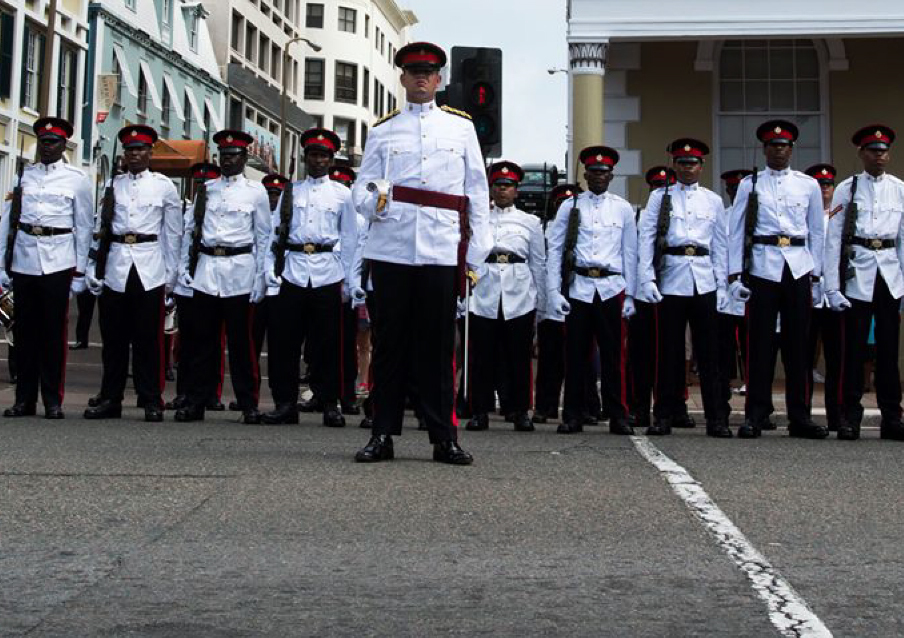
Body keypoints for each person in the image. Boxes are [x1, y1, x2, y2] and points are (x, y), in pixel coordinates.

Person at [351, 42, 491, 464]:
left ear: (440, 80)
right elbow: (361, 189)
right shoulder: (382, 131)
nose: (421, 78)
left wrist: (475, 255)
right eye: (413, 71)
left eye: (428, 72)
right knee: (390, 345)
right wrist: (373, 199)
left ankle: (443, 436)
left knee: (437, 348)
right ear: (402, 78)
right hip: (391, 247)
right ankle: (382, 433)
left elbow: (477, 192)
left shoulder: (461, 128)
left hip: (440, 248)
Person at [727, 119, 828, 439]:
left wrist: (818, 275)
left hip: (797, 266)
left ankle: (800, 417)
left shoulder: (807, 184)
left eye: (784, 146)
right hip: (763, 266)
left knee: (799, 346)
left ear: (791, 149)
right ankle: (756, 415)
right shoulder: (749, 184)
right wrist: (733, 275)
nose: (778, 150)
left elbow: (816, 231)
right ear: (764, 149)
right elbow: (736, 231)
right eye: (773, 146)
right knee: (760, 344)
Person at [83, 124, 181, 421]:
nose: (135, 154)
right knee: (113, 340)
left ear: (151, 153)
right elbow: (100, 228)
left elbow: (172, 233)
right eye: (130, 150)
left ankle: (151, 399)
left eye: (140, 149)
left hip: (149, 265)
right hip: (115, 265)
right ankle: (111, 398)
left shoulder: (164, 186)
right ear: (124, 154)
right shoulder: (113, 185)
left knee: (147, 340)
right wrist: (91, 266)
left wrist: (171, 275)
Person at [175, 130, 271, 425]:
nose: (229, 161)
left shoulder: (256, 192)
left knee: (242, 344)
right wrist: (183, 268)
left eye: (235, 156)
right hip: (207, 269)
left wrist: (261, 278)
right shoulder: (207, 190)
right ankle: (197, 401)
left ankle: (248, 403)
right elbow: (190, 231)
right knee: (202, 342)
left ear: (244, 159)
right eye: (225, 156)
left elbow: (264, 236)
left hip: (240, 269)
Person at [263, 128, 357, 426]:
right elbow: (275, 233)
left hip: (328, 271)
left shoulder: (343, 194)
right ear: (305, 158)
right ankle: (285, 403)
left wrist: (348, 278)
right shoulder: (292, 191)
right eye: (313, 155)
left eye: (324, 156)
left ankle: (330, 402)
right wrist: (269, 269)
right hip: (293, 270)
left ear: (331, 160)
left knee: (328, 343)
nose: (318, 160)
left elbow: (351, 238)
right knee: (284, 342)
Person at [637, 139, 731, 437]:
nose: (688, 167)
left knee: (710, 355)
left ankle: (716, 418)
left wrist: (723, 285)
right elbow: (646, 238)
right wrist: (647, 278)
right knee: (669, 353)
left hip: (703, 279)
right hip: (671, 278)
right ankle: (664, 414)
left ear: (701, 166)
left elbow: (719, 246)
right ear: (674, 165)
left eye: (693, 163)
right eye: (682, 162)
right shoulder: (660, 198)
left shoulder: (712, 200)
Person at [0, 117, 92, 419]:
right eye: (43, 142)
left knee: (53, 334)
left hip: (58, 258)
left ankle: (52, 399)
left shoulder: (76, 179)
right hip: (25, 258)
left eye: (53, 142)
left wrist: (79, 271)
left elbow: (84, 226)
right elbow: (10, 221)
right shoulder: (24, 175)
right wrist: (4, 262)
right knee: (24, 333)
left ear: (63, 145)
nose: (47, 147)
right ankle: (24, 399)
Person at [547, 145, 637, 435]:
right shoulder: (569, 206)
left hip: (611, 287)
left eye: (604, 172)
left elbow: (630, 252)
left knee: (614, 357)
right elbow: (556, 250)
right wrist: (553, 291)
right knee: (575, 355)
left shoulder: (622, 208)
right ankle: (573, 414)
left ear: (611, 175)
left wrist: (632, 295)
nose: (598, 176)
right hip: (579, 286)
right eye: (594, 172)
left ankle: (618, 415)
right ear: (585, 174)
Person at [824, 125, 904, 440]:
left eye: (883, 150)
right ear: (861, 153)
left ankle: (892, 417)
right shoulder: (847, 188)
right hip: (857, 273)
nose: (879, 156)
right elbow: (832, 240)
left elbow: (902, 240)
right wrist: (832, 286)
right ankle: (849, 416)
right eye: (873, 150)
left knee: (887, 350)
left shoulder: (899, 188)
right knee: (853, 351)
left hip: (888, 274)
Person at [463, 161, 546, 433]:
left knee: (519, 356)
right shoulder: (478, 218)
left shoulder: (530, 222)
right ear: (490, 188)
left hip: (518, 291)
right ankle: (479, 411)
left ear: (516, 191)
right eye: (498, 185)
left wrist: (543, 301)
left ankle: (520, 410)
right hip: (484, 290)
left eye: (507, 186)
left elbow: (538, 263)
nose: (502, 190)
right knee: (482, 355)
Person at [167, 161, 225, 412]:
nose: (201, 187)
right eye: (198, 183)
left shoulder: (216, 210)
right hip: (187, 282)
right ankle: (185, 392)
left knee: (211, 341)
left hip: (209, 279)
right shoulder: (185, 209)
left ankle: (211, 392)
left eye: (205, 183)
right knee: (187, 343)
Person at [628, 166, 675, 431]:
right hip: (641, 294)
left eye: (664, 186)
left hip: (667, 287)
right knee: (640, 355)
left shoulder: (677, 216)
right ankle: (639, 408)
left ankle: (670, 407)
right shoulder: (639, 215)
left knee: (668, 355)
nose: (660, 190)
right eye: (656, 186)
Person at [533, 183, 581, 424]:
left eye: (569, 202)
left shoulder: (583, 226)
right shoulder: (544, 228)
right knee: (549, 358)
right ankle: (545, 405)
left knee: (580, 357)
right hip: (550, 301)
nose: (565, 206)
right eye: (560, 201)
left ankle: (587, 405)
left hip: (579, 294)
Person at [803, 163, 843, 432]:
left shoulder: (841, 214)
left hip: (835, 293)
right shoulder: (803, 216)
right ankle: (803, 413)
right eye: (819, 184)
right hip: (807, 293)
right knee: (804, 357)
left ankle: (836, 416)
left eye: (827, 184)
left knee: (837, 358)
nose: (824, 189)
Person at [716, 169, 752, 407]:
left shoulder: (757, 216)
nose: (736, 193)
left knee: (752, 344)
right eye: (732, 189)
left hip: (751, 288)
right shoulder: (724, 215)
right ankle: (723, 394)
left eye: (740, 189)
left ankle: (754, 388)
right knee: (723, 346)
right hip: (726, 292)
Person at [330, 164, 363, 415]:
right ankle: (322, 394)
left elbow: (356, 251)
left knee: (346, 343)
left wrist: (351, 283)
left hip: (346, 283)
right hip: (320, 276)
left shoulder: (358, 215)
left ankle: (347, 394)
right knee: (319, 344)